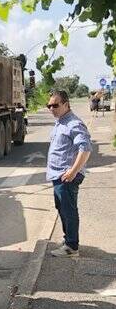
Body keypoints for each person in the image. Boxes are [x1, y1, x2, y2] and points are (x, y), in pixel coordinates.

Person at [46, 90, 91, 257]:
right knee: (62, 209)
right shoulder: (60, 122)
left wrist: (73, 171)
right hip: (58, 175)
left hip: (67, 176)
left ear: (66, 104)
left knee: (69, 210)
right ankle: (68, 240)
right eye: (49, 105)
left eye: (55, 105)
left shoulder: (74, 123)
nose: (51, 108)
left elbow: (85, 149)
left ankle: (72, 247)